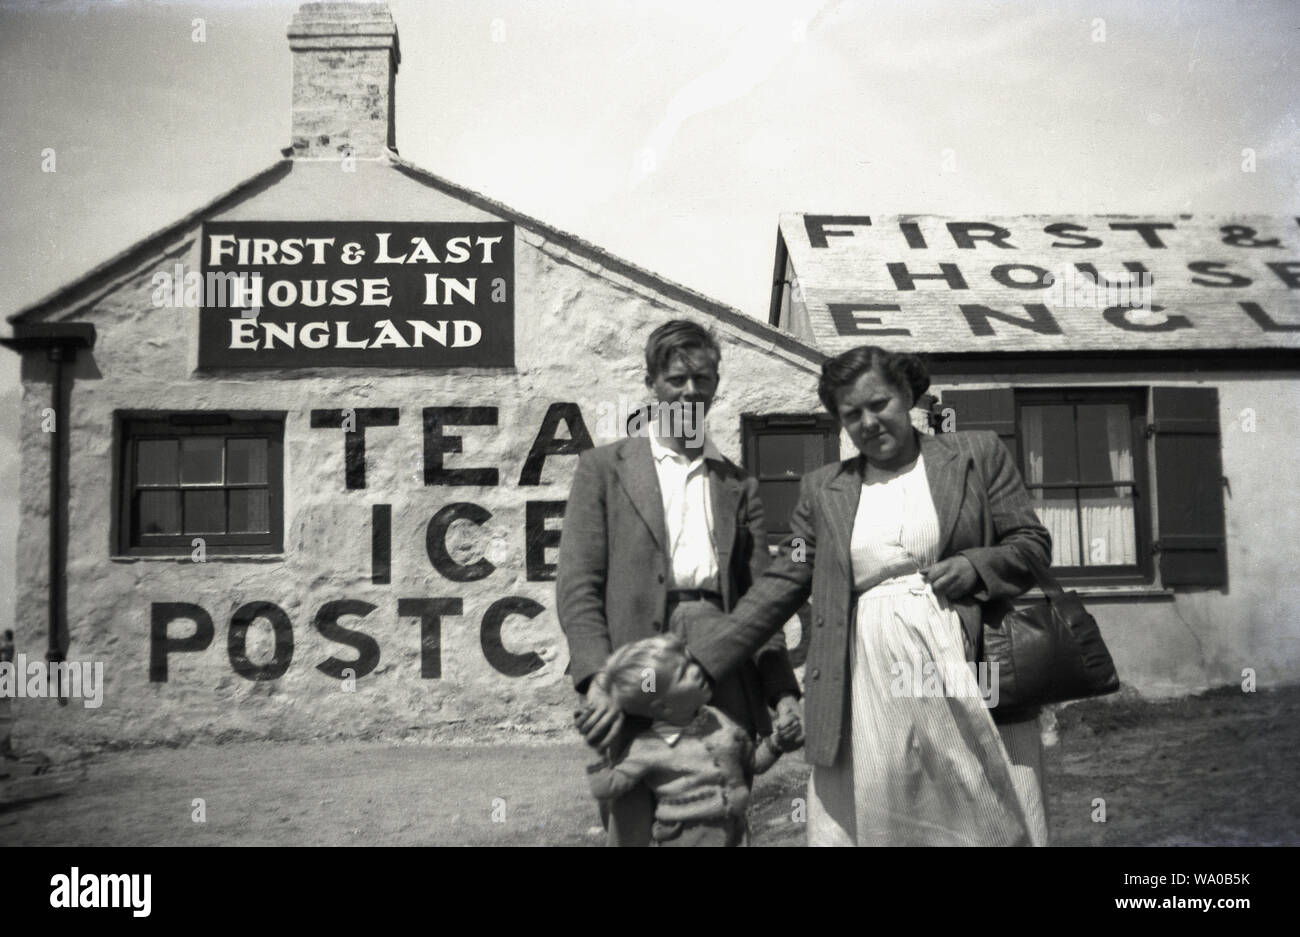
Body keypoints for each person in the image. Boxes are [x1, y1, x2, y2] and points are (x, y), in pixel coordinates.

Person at [684, 345, 1053, 846]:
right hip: (868, 684)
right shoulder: (822, 491)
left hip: (968, 670)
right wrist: (705, 660)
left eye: (879, 404)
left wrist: (974, 566)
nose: (869, 422)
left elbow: (1031, 544)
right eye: (851, 413)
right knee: (883, 819)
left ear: (907, 395)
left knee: (986, 819)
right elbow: (780, 582)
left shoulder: (975, 456)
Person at [556, 318, 803, 846]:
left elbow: (763, 605)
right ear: (652, 383)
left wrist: (781, 690)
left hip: (722, 664)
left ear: (716, 384)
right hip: (638, 663)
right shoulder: (604, 469)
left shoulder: (738, 484)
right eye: (677, 379)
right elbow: (579, 586)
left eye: (704, 379)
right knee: (633, 815)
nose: (691, 391)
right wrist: (598, 679)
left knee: (717, 806)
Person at [585, 633, 802, 847]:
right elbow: (607, 787)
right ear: (663, 706)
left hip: (735, 834)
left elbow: (753, 762)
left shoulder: (719, 720)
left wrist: (778, 743)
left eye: (690, 664)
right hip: (684, 839)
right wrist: (599, 749)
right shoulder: (648, 747)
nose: (697, 671)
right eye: (682, 674)